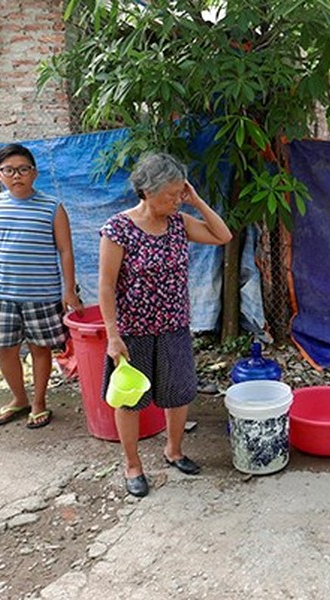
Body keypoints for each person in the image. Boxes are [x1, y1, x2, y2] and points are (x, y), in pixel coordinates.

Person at [99, 152, 232, 498]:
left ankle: (173, 450)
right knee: (131, 400)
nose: (177, 200)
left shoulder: (179, 223)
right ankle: (133, 465)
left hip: (173, 324)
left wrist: (196, 200)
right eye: (170, 195)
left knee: (179, 392)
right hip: (133, 330)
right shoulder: (119, 229)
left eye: (180, 193)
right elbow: (105, 286)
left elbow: (223, 236)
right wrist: (113, 336)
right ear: (146, 190)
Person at [0, 143, 83, 429]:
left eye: (23, 169)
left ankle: (39, 402)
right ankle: (19, 398)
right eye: (9, 171)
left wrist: (69, 290)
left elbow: (66, 251)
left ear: (34, 173)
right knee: (5, 350)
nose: (16, 176)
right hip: (3, 294)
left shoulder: (52, 207)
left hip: (43, 295)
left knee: (40, 349)